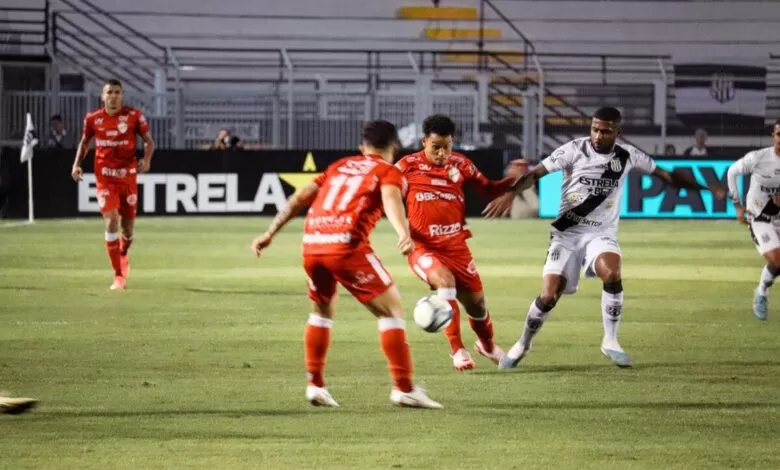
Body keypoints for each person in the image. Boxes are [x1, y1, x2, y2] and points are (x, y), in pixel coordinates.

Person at [484, 107, 727, 369]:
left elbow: (668, 177)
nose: (599, 135)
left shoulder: (628, 155)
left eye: (606, 131)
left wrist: (705, 187)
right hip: (567, 233)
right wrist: (511, 192)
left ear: (617, 132)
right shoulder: (573, 150)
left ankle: (610, 340)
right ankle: (523, 342)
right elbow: (535, 174)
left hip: (601, 233)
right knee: (549, 295)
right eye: (595, 129)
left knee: (611, 272)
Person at [250, 120, 442, 409]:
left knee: (321, 311)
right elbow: (391, 199)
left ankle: (315, 385)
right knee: (392, 310)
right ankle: (404, 388)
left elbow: (300, 196)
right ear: (394, 147)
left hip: (313, 244)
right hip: (345, 246)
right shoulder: (387, 171)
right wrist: (403, 233)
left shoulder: (339, 166)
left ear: (362, 147)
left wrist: (270, 232)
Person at [395, 114, 514, 371]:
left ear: (453, 142)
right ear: (424, 141)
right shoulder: (406, 166)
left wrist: (514, 180)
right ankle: (457, 350)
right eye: (435, 146)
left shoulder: (462, 164)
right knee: (445, 282)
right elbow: (386, 195)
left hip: (457, 246)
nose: (441, 153)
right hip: (422, 247)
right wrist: (401, 232)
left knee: (478, 306)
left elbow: (489, 189)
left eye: (446, 146)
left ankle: (487, 346)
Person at [71, 79, 155, 290]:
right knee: (111, 221)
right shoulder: (92, 119)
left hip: (128, 178)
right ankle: (118, 276)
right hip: (105, 178)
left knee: (127, 229)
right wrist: (77, 165)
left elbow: (149, 141)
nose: (114, 96)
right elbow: (84, 142)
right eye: (110, 92)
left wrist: (146, 159)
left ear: (122, 95)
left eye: (117, 92)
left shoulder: (134, 116)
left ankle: (123, 251)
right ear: (103, 96)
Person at [726, 119, 780, 320]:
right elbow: (732, 171)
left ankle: (763, 287)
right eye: (778, 134)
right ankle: (762, 292)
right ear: (772, 136)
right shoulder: (759, 158)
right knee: (776, 260)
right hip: (759, 217)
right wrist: (737, 206)